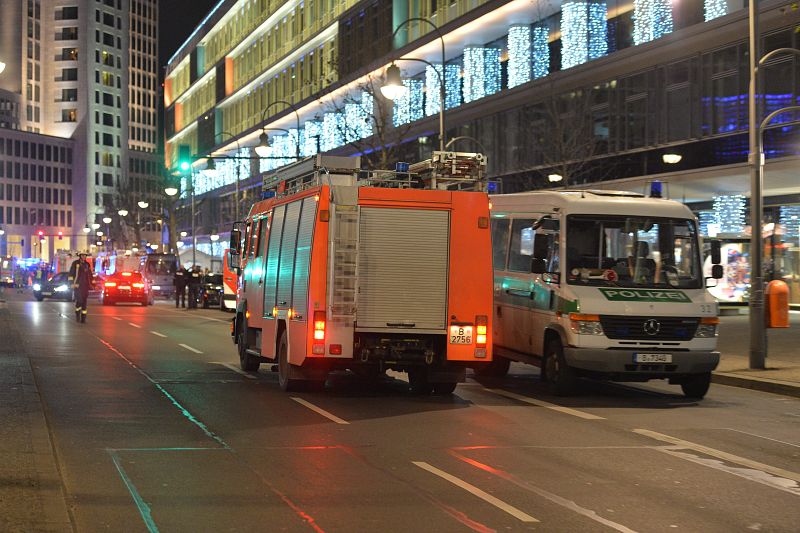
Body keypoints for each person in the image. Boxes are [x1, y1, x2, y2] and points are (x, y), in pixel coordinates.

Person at [69, 253, 94, 323]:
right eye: (82, 255)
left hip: (85, 286)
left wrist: (92, 283)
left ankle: (83, 318)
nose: (84, 257)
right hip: (78, 285)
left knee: (84, 302)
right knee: (79, 301)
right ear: (80, 256)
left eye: (85, 255)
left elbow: (90, 274)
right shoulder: (75, 263)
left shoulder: (87, 264)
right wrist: (71, 283)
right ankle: (77, 314)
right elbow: (71, 273)